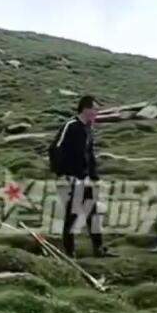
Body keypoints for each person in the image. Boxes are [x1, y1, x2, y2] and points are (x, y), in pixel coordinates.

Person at [50, 94, 116, 258]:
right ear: (86, 109)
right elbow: (55, 149)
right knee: (72, 216)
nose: (97, 112)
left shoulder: (88, 127)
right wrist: (62, 174)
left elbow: (89, 154)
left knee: (92, 213)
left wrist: (94, 177)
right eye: (95, 109)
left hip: (85, 179)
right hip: (72, 179)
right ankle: (69, 251)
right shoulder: (71, 126)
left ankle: (98, 249)